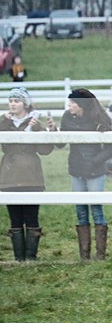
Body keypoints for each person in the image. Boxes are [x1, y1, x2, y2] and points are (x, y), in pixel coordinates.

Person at [48, 89, 112, 260]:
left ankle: (100, 254)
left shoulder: (99, 118)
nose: (69, 106)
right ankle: (84, 255)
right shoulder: (67, 117)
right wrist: (54, 131)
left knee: (96, 208)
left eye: (73, 103)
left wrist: (94, 160)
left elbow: (111, 146)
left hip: (95, 170)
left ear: (82, 105)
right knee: (80, 209)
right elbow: (62, 144)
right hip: (76, 169)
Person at [0, 87, 53, 261]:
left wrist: (39, 130)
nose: (13, 104)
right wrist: (2, 122)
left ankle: (31, 256)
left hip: (31, 176)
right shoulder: (5, 123)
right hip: (9, 176)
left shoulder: (34, 122)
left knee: (31, 217)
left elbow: (46, 149)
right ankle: (18, 258)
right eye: (11, 101)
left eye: (17, 101)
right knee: (15, 219)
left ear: (25, 103)